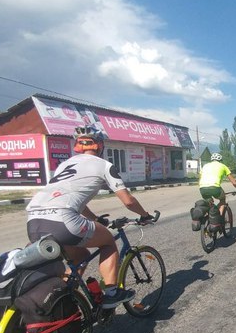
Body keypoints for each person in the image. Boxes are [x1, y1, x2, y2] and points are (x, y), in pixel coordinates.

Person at [25, 126, 156, 308]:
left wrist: (94, 218)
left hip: (33, 221)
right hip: (64, 220)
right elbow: (128, 201)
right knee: (108, 242)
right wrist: (145, 215)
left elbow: (71, 198)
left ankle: (64, 299)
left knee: (80, 256)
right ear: (100, 146)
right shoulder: (105, 165)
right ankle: (111, 293)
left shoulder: (65, 165)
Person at [198, 153, 236, 218]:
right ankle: (219, 219)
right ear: (220, 160)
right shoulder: (223, 166)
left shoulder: (205, 166)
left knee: (210, 202)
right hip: (215, 188)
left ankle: (209, 217)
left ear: (211, 160)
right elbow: (234, 182)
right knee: (223, 200)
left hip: (202, 188)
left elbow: (200, 178)